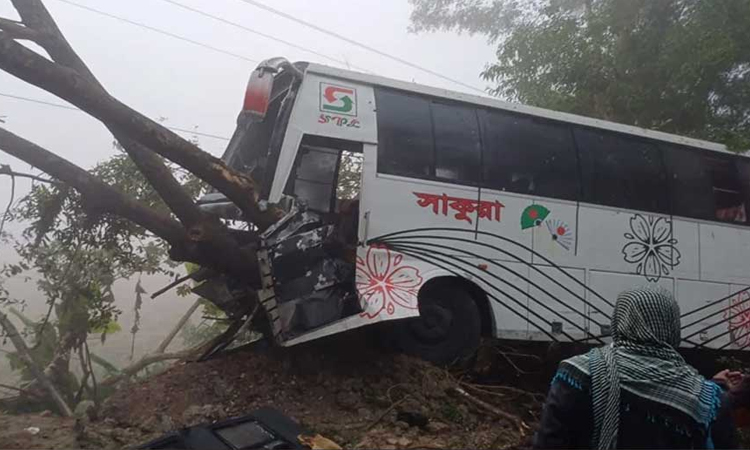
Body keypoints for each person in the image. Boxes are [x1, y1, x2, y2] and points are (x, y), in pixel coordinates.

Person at [533, 287, 737, 449]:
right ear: (673, 326)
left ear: (618, 322)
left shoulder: (579, 373)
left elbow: (549, 442)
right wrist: (715, 387)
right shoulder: (706, 398)